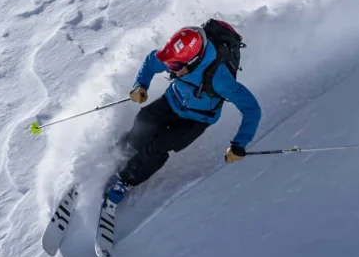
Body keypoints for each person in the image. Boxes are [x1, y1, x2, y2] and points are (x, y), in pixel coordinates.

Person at [105, 21, 261, 204]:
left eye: (176, 67)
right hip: (172, 100)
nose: (170, 69)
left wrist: (239, 144)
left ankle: (125, 180)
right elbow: (151, 61)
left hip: (196, 119)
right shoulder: (176, 57)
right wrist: (141, 85)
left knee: (158, 146)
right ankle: (126, 149)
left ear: (194, 61)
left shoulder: (220, 79)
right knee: (144, 120)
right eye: (169, 65)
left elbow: (252, 109)